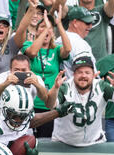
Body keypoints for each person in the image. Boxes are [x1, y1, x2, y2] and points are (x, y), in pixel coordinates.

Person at [51, 55, 114, 147]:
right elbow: (51, 104)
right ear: (73, 74)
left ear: (93, 74)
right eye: (79, 72)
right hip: (64, 142)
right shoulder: (65, 87)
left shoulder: (101, 86)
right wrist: (55, 89)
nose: (83, 75)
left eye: (87, 72)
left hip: (94, 142)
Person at [22, 7, 72, 137]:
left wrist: (59, 23)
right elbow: (32, 53)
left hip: (50, 103)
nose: (46, 30)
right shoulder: (28, 45)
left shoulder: (56, 51)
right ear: (37, 31)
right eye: (42, 27)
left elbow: (68, 49)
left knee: (47, 141)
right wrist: (46, 29)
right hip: (32, 103)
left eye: (49, 28)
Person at [55, 6, 96, 79]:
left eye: (91, 23)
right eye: (87, 23)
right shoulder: (78, 43)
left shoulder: (59, 39)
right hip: (77, 86)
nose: (90, 26)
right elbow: (85, 71)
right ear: (75, 22)